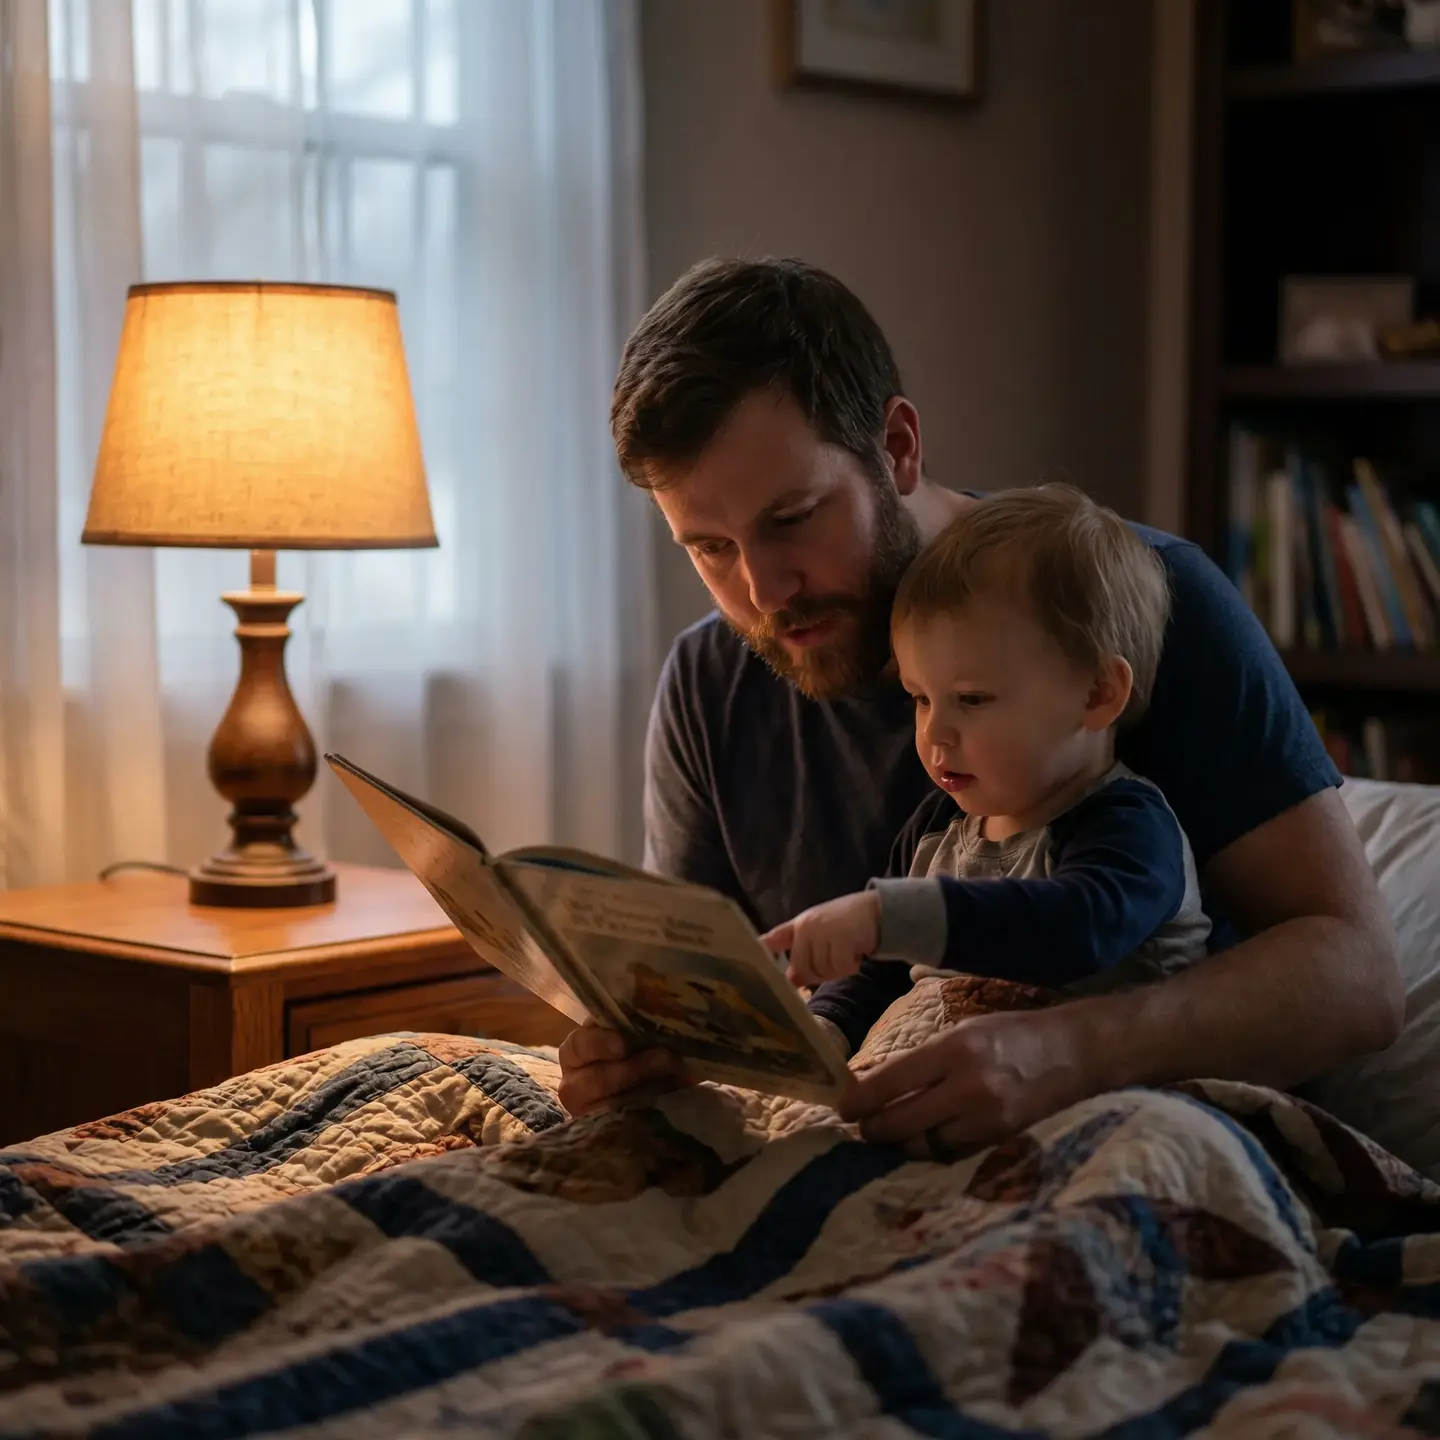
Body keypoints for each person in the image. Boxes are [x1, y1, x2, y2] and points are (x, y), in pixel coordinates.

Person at [556, 256, 1402, 1153]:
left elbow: (1359, 981)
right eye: (711, 548)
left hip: (1142, 1149)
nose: (763, 591)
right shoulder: (708, 685)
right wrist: (653, 1055)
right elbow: (729, 1010)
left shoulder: (1134, 607)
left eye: (794, 517)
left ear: (899, 447)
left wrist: (1076, 1051)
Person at [763, 485, 1211, 1055]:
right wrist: (823, 1028)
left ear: (1098, 694)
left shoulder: (1127, 825)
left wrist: (891, 915)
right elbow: (878, 973)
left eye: (971, 699)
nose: (933, 733)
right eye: (920, 699)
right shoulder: (935, 827)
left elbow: (1079, 927)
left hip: (1098, 1089)